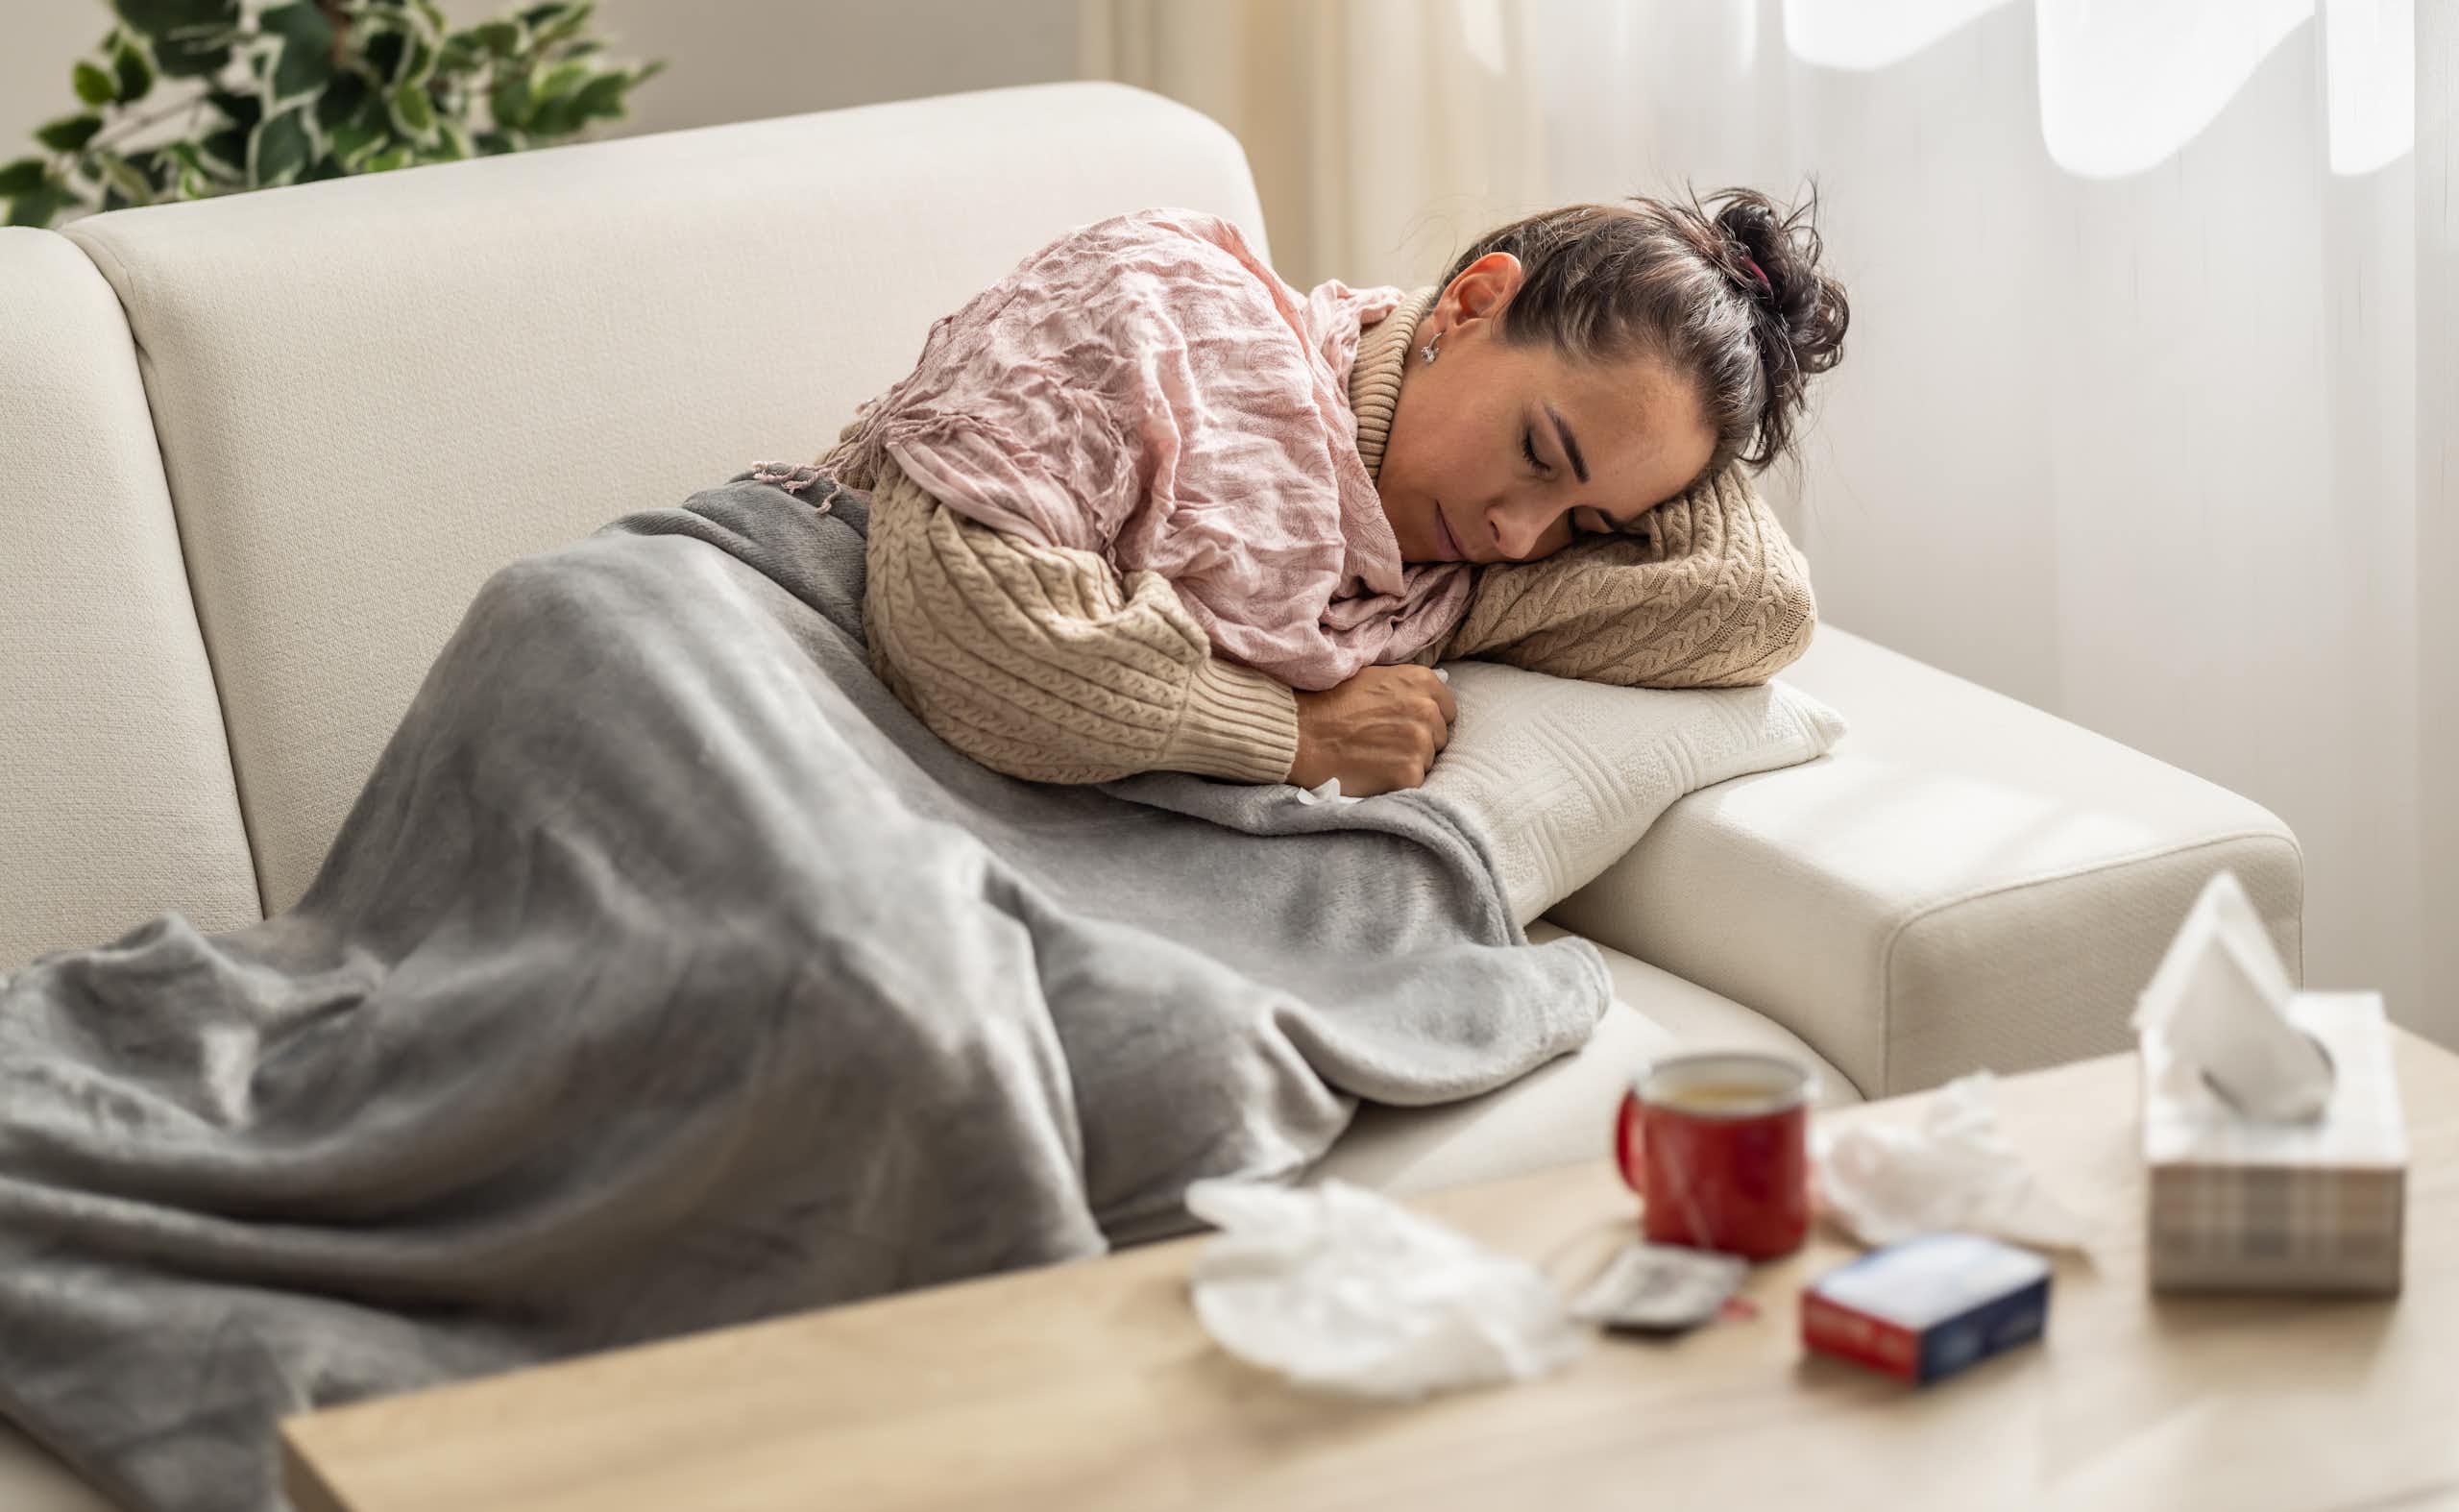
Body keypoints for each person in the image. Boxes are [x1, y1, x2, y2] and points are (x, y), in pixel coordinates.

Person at [819, 187, 1850, 797]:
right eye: (1539, 449)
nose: (1518, 533)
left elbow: (1751, 610)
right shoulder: (1165, 304)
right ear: (1473, 299)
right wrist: (1297, 735)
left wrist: (1722, 369)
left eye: (1586, 523)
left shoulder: (1439, 579)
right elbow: (958, 621)